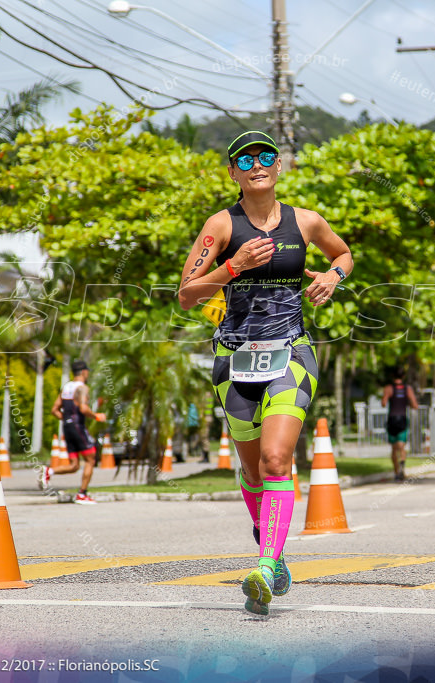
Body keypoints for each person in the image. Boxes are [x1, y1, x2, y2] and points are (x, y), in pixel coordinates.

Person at [178, 130, 352, 616]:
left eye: (267, 156)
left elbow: (343, 253)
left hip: (290, 355)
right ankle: (269, 546)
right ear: (233, 172)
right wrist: (232, 267)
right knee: (254, 469)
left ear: (279, 166)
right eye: (246, 159)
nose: (258, 164)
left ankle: (267, 563)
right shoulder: (221, 226)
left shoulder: (307, 221)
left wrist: (332, 278)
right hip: (233, 360)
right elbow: (187, 294)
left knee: (277, 458)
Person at [41, 360, 105, 504]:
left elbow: (54, 409)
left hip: (67, 426)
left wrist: (66, 420)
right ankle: (82, 494)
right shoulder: (82, 388)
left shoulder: (66, 387)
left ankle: (49, 471)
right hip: (77, 426)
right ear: (83, 372)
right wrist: (96, 416)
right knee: (91, 458)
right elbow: (83, 408)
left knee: (74, 465)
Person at [381, 368, 420, 482]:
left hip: (392, 419)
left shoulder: (388, 388)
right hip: (402, 419)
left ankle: (396, 472)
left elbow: (383, 403)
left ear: (393, 376)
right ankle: (402, 466)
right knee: (402, 447)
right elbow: (415, 405)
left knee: (394, 448)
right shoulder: (407, 389)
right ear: (403, 376)